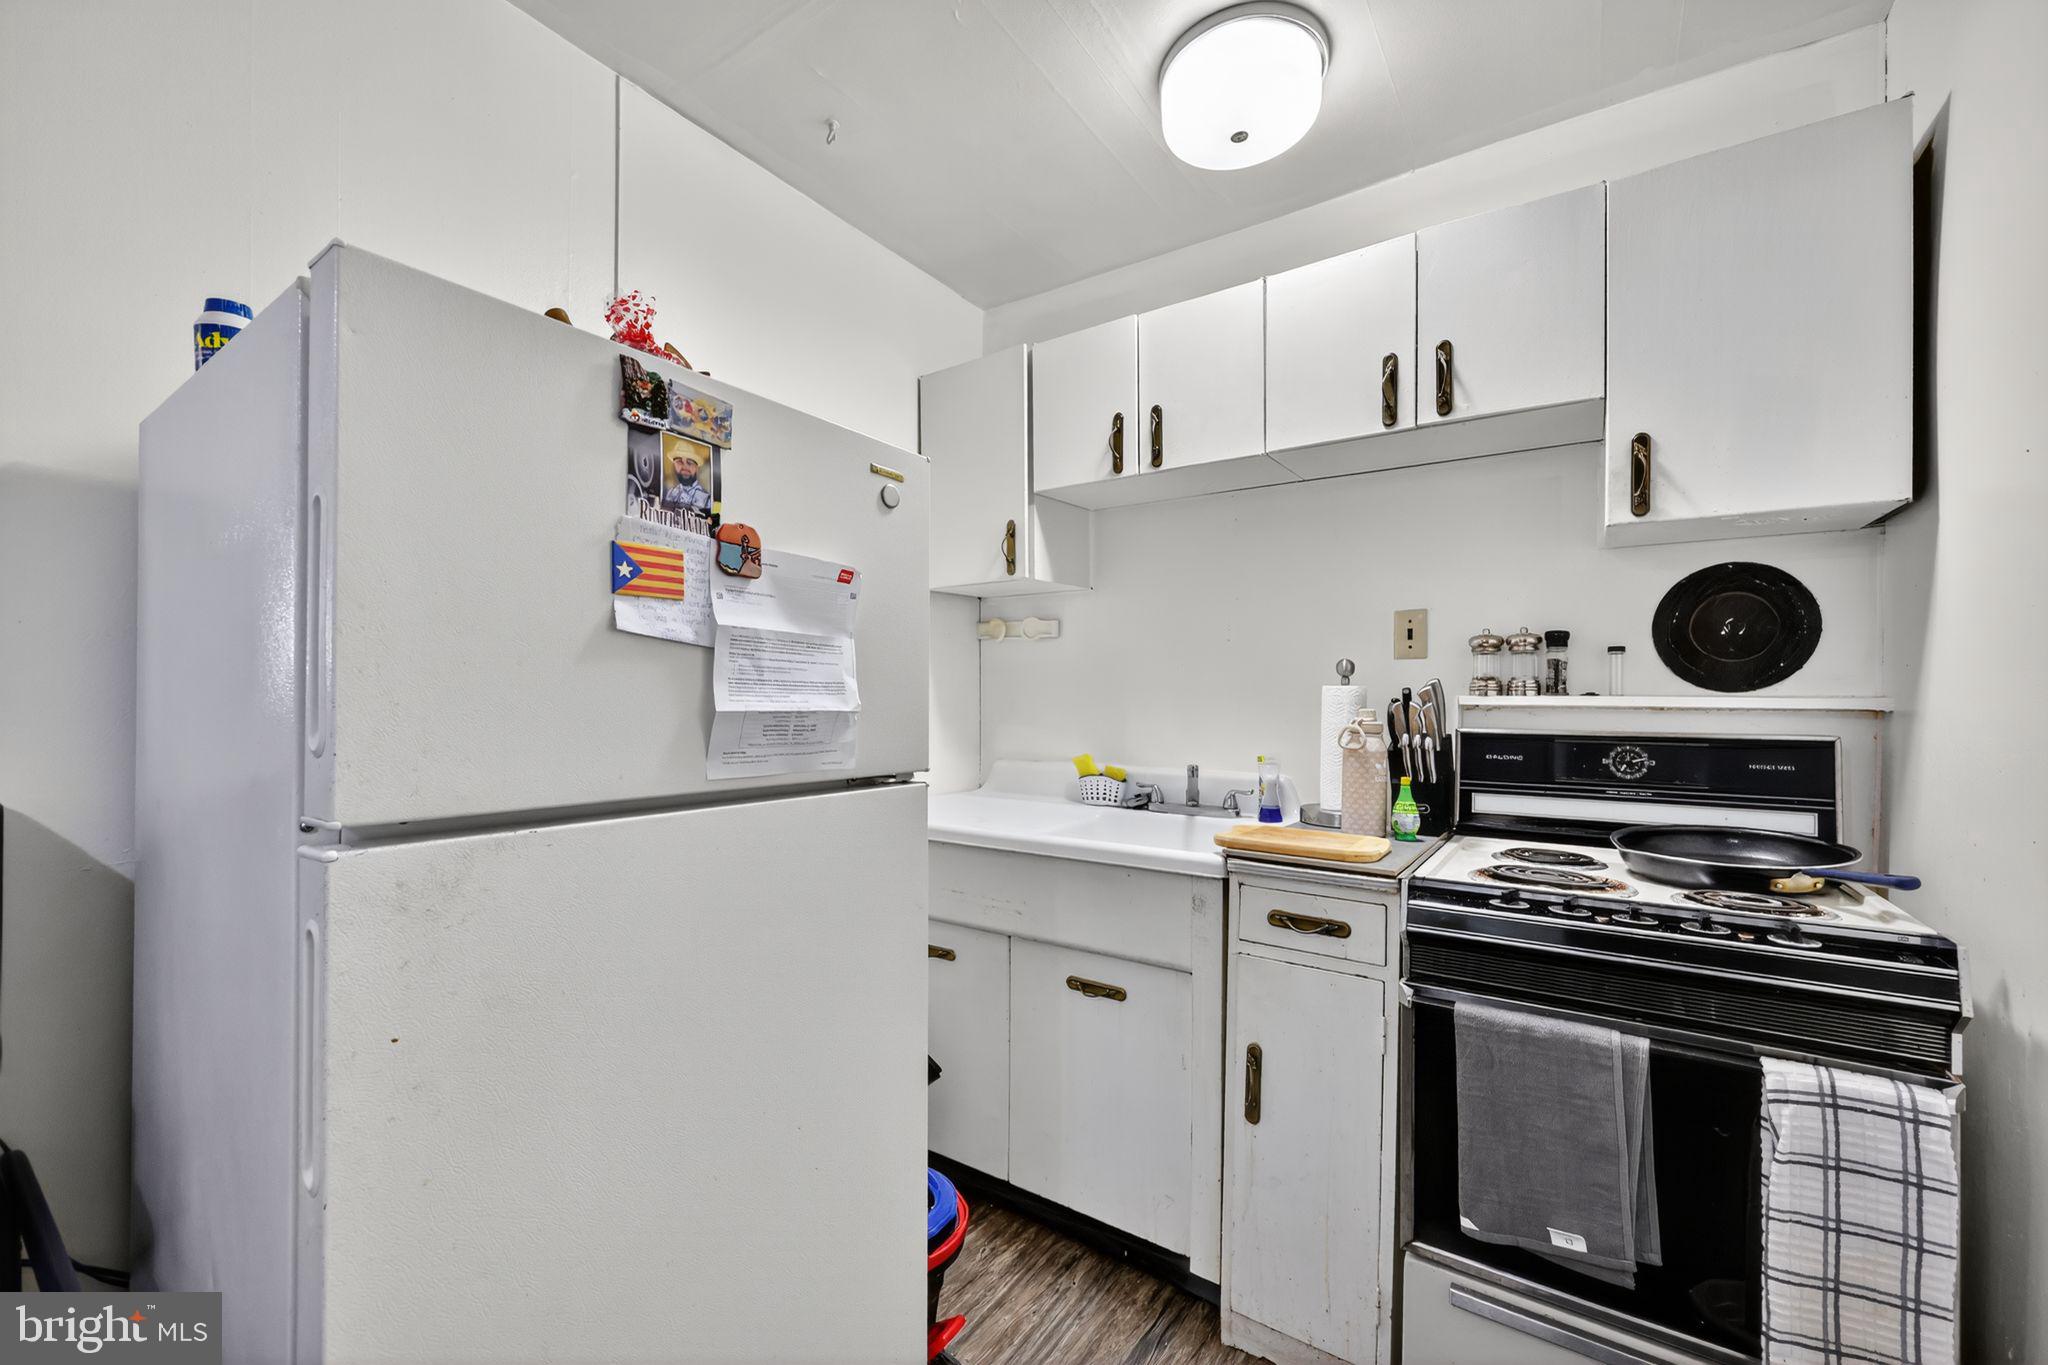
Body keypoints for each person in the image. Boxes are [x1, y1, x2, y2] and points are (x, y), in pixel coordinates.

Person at [662, 445, 713, 517]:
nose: (685, 467)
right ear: (674, 465)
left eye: (690, 462)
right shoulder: (671, 493)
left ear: (697, 468)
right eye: (679, 462)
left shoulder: (706, 499)